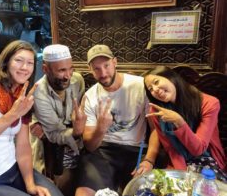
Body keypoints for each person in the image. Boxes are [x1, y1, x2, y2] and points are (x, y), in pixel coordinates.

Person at [0, 40, 64, 196]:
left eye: (30, 63)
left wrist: (30, 185)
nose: (24, 67)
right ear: (6, 62)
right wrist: (13, 115)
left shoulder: (21, 95)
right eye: (19, 60)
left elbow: (23, 146)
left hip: (12, 170)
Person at [75, 44, 159, 196]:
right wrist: (101, 128)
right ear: (90, 70)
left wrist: (149, 160)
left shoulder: (140, 86)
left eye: (106, 65)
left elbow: (156, 130)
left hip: (136, 150)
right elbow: (90, 146)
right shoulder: (90, 96)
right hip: (103, 150)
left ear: (115, 62)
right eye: (97, 69)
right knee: (84, 192)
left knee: (142, 192)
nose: (103, 73)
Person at [143, 65, 227, 182]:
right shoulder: (157, 110)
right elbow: (170, 148)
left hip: (207, 159)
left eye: (156, 82)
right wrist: (182, 175)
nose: (155, 90)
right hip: (179, 160)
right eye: (150, 89)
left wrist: (179, 122)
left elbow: (199, 149)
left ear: (171, 78)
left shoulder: (210, 103)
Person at [32, 44, 87, 196]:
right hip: (50, 141)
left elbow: (80, 113)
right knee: (57, 186)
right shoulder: (39, 93)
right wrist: (76, 131)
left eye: (70, 68)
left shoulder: (77, 80)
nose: (68, 75)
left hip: (74, 137)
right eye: (61, 70)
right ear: (45, 69)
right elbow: (54, 133)